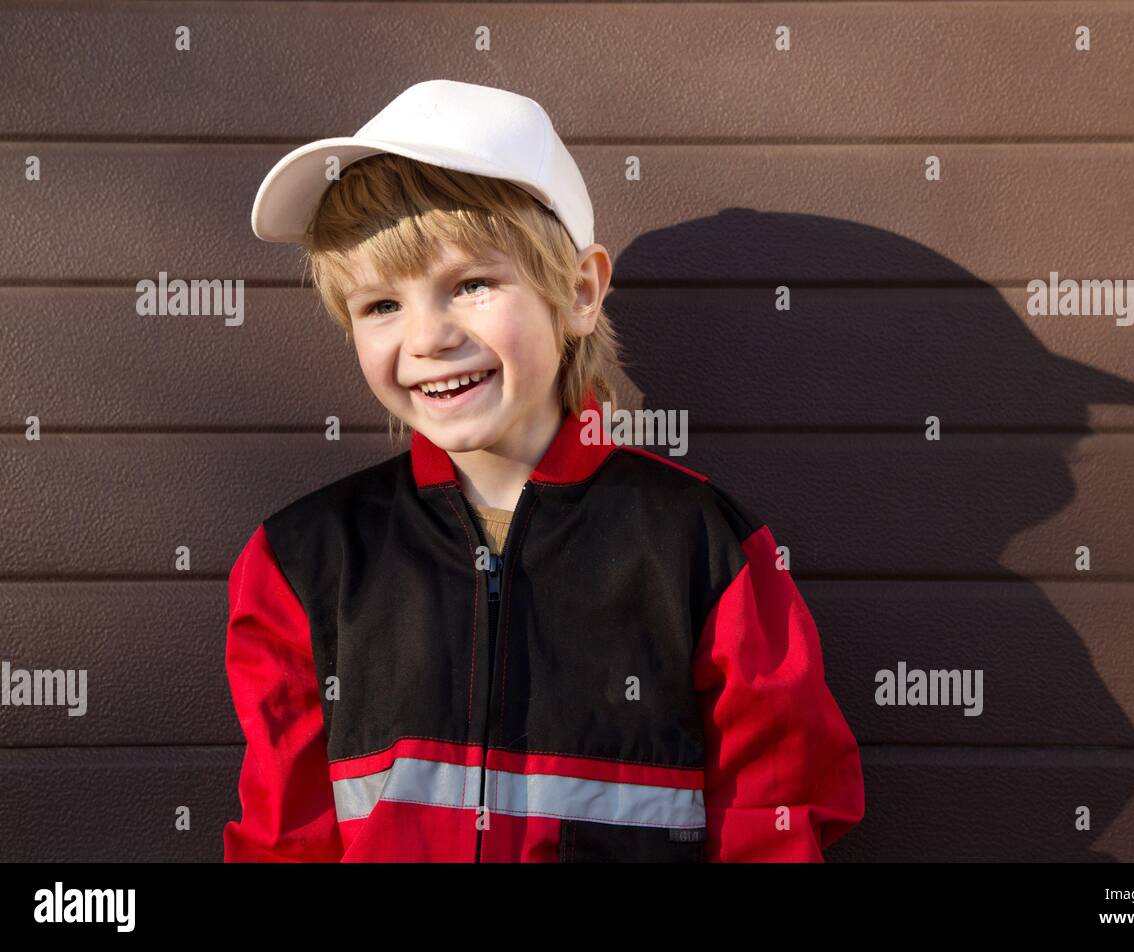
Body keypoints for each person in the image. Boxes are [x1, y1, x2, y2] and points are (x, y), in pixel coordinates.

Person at [222, 79, 864, 862]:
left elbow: (778, 822)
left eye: (471, 285)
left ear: (582, 292)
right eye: (380, 305)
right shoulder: (302, 562)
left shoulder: (703, 549)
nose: (427, 338)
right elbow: (281, 841)